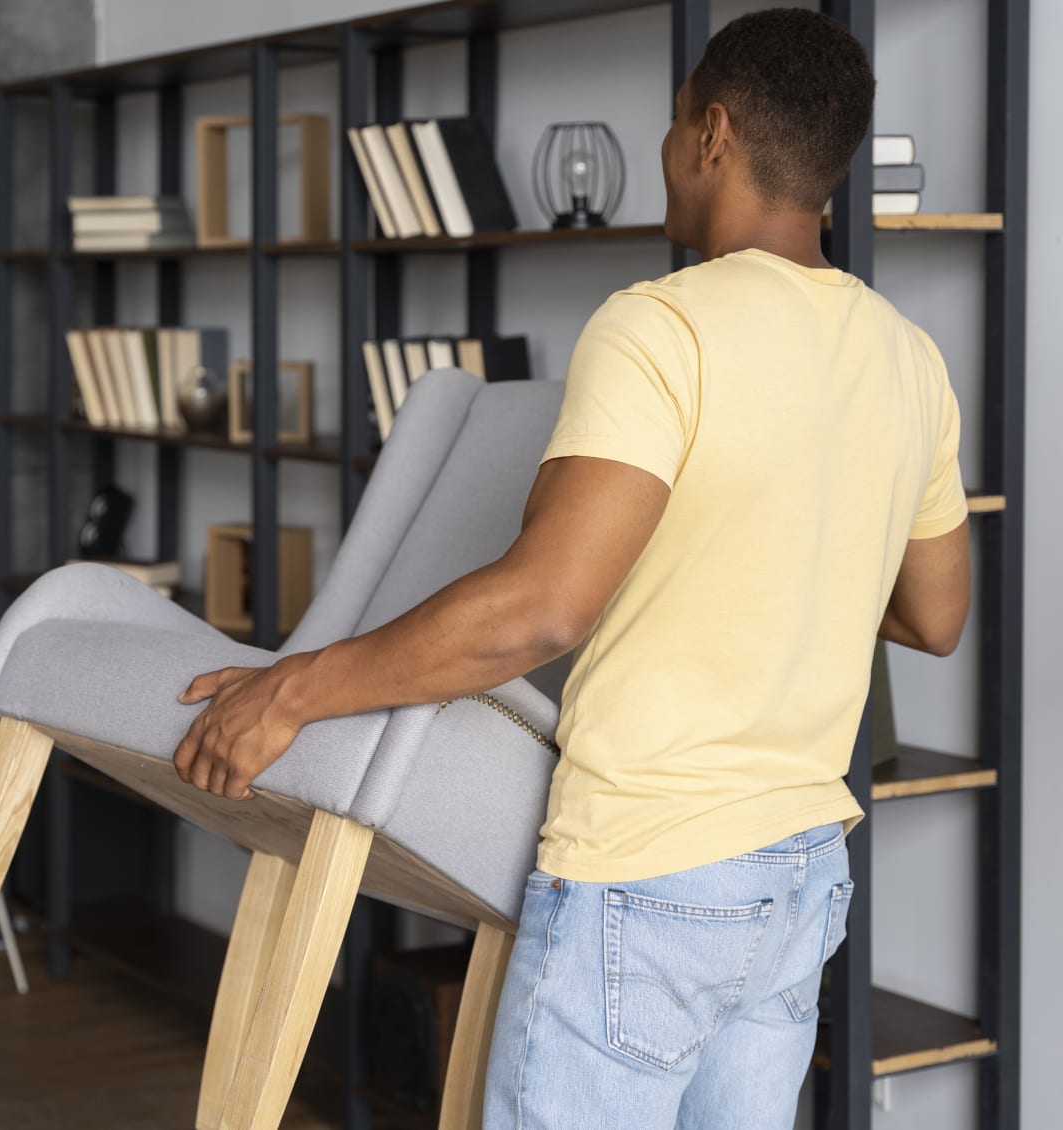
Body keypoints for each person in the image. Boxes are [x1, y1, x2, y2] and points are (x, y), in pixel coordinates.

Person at [169, 9, 970, 1128]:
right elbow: (936, 614)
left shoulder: (660, 327)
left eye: (676, 118)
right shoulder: (907, 354)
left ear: (713, 133)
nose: (667, 143)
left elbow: (537, 608)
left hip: (651, 871)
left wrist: (286, 689)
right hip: (797, 874)